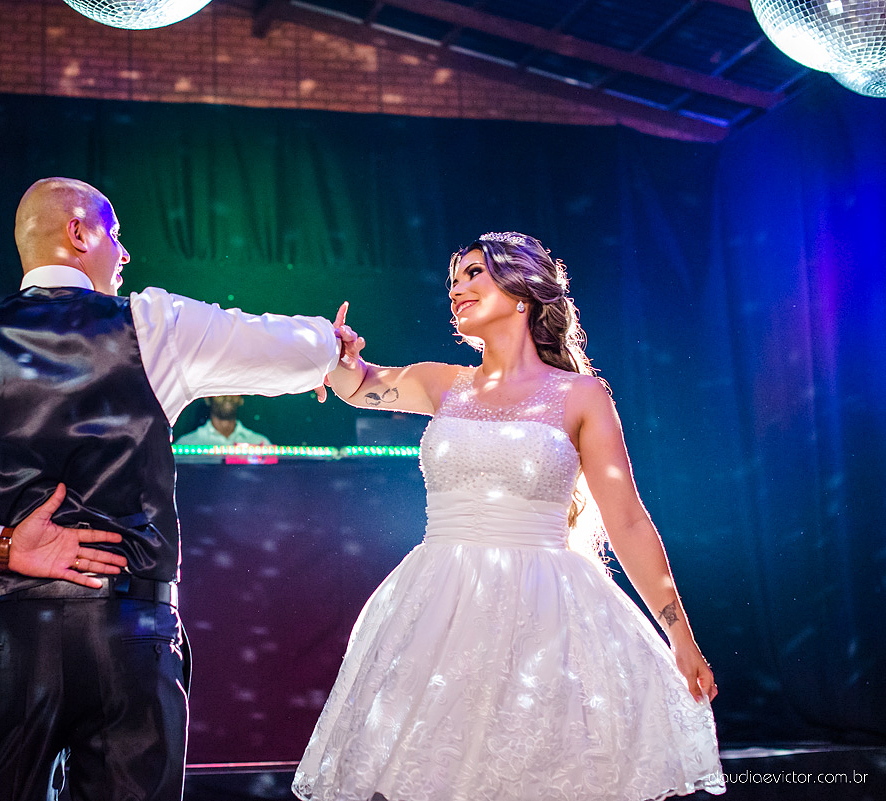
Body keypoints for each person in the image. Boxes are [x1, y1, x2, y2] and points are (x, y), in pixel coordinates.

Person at [0, 177, 341, 801]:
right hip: (130, 632)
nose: (125, 255)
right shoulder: (153, 324)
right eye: (117, 234)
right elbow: (288, 346)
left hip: (15, 638)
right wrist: (332, 347)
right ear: (78, 232)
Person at [294, 232, 724, 801]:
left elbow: (627, 522)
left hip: (546, 611)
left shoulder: (582, 396)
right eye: (454, 281)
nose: (457, 290)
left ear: (522, 293)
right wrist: (336, 354)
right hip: (439, 605)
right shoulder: (440, 382)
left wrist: (680, 635)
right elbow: (358, 387)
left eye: (474, 274)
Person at [174, 395, 272, 447]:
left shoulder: (260, 442)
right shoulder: (186, 443)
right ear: (207, 399)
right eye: (220, 392)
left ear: (241, 399)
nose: (228, 397)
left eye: (233, 392)